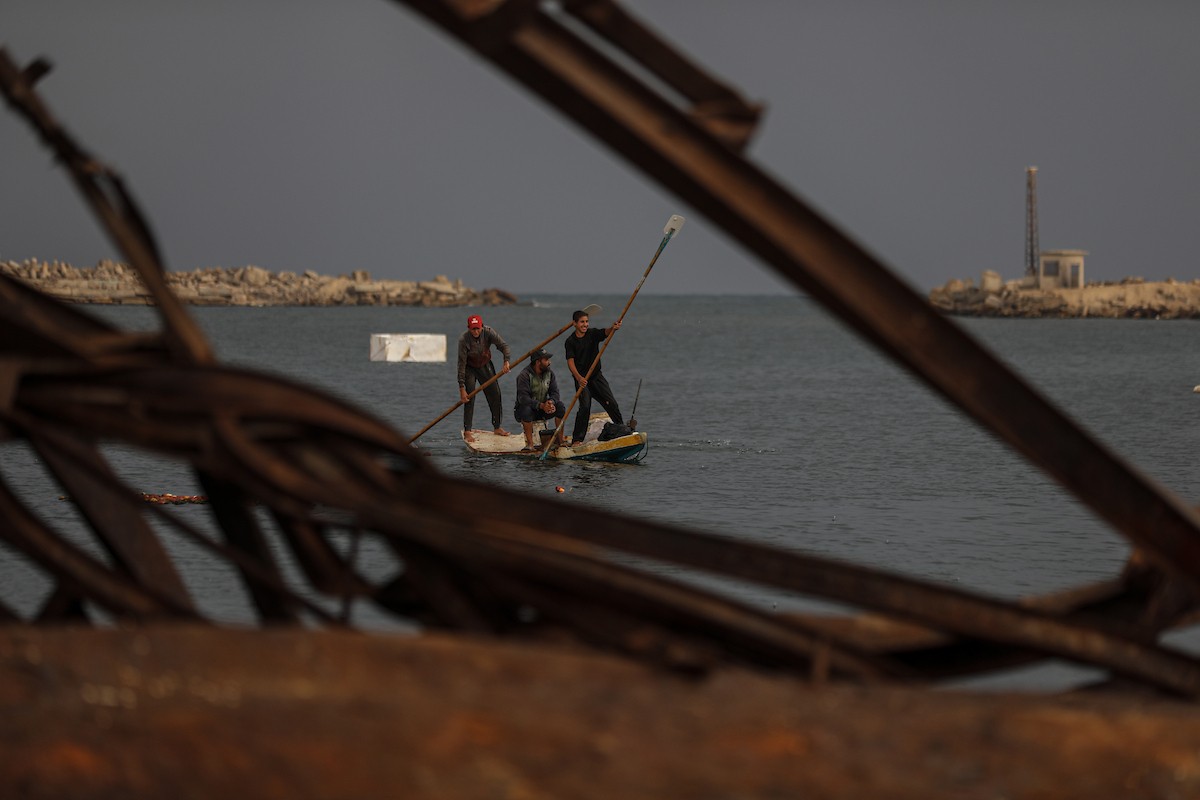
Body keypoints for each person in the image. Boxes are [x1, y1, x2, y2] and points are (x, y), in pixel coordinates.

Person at [564, 308, 625, 446]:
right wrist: (579, 378)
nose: (585, 324)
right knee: (585, 407)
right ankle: (577, 439)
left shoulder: (592, 334)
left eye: (587, 321)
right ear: (574, 323)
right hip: (582, 380)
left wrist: (613, 328)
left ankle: (621, 429)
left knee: (611, 403)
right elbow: (570, 362)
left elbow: (605, 332)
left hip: (596, 377)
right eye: (582, 322)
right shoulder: (570, 341)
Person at [456, 314, 511, 442]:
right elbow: (461, 364)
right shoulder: (464, 339)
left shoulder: (489, 332)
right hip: (469, 368)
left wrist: (506, 361)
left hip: (485, 365)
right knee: (469, 397)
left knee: (495, 394)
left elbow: (504, 346)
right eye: (473, 329)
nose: (476, 331)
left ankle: (497, 427)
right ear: (468, 328)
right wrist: (461, 388)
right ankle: (468, 430)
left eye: (478, 328)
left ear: (482, 326)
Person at [513, 348, 567, 452]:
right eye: (546, 360)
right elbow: (523, 399)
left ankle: (560, 441)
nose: (549, 362)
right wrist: (541, 405)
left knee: (560, 406)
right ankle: (530, 445)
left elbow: (555, 393)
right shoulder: (524, 375)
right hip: (526, 411)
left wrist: (551, 402)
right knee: (526, 409)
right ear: (538, 362)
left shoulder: (550, 374)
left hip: (542, 410)